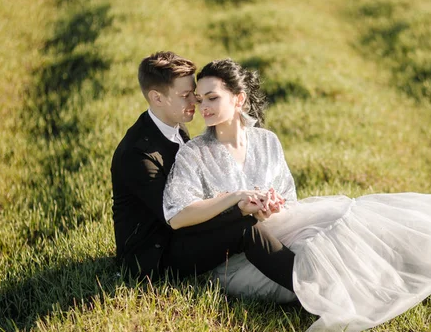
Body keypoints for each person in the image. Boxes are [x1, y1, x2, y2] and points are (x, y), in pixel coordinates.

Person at [162, 58, 431, 332]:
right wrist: (234, 200)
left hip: (283, 226)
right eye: (199, 99)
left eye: (212, 98)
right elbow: (177, 215)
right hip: (236, 258)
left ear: (238, 99)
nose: (203, 106)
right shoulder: (195, 153)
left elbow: (288, 196)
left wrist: (271, 204)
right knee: (319, 253)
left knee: (348, 217)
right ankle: (342, 300)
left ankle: (426, 266)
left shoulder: (267, 141)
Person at [111, 51, 295, 288]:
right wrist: (237, 206)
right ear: (157, 98)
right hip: (153, 258)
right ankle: (308, 289)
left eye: (194, 95)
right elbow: (176, 217)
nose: (195, 104)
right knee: (243, 230)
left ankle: (306, 276)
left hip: (181, 236)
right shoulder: (138, 155)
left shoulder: (175, 127)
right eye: (186, 95)